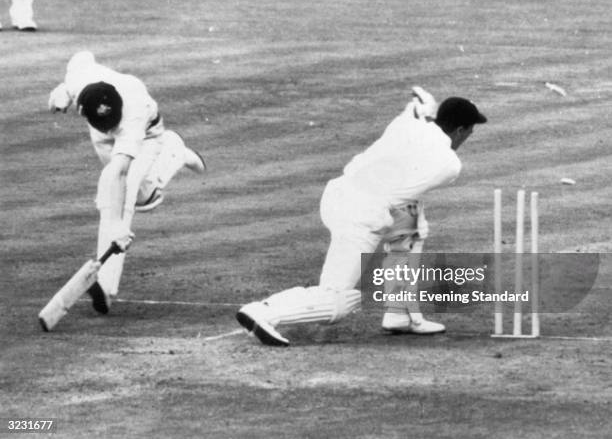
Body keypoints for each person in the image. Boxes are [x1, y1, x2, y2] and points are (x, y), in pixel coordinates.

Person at [236, 87, 487, 346]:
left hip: (338, 193)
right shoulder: (450, 165)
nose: (468, 136)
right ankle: (264, 313)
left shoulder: (407, 123)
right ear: (460, 130)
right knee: (338, 299)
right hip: (360, 215)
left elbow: (415, 113)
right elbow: (405, 188)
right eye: (469, 131)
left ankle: (401, 315)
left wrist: (422, 107)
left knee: (412, 229)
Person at [48, 51, 207, 314]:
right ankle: (176, 151)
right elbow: (82, 56)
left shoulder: (131, 116)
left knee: (126, 193)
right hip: (101, 137)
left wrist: (120, 227)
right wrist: (63, 91)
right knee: (141, 196)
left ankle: (106, 286)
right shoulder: (80, 80)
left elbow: (119, 174)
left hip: (147, 135)